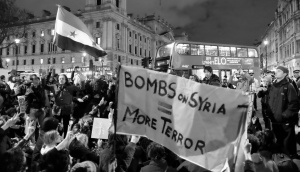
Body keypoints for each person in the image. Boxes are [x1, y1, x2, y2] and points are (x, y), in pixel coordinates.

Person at [267, 66, 300, 157]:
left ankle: (290, 161)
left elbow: (293, 104)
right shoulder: (273, 85)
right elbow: (270, 100)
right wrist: (269, 113)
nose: (276, 72)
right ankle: (281, 161)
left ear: (285, 74)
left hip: (285, 121)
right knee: (279, 141)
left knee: (288, 143)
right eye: (276, 71)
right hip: (275, 120)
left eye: (279, 71)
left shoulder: (289, 86)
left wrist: (284, 115)